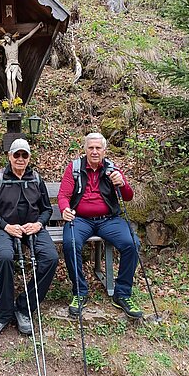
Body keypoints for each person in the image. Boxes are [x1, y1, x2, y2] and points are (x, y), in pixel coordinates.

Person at [58, 132, 143, 319]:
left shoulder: (112, 168)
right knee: (70, 243)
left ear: (104, 150)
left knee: (132, 244)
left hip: (109, 219)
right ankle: (79, 292)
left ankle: (122, 294)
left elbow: (128, 196)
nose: (94, 151)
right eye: (91, 148)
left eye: (98, 148)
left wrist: (121, 183)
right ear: (85, 149)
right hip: (80, 219)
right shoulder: (74, 168)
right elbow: (63, 195)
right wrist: (65, 209)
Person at [0, 138, 58, 339]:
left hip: (33, 227)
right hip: (7, 228)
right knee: (5, 257)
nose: (20, 159)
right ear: (9, 156)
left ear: (29, 157)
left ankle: (24, 308)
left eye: (24, 155)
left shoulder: (36, 179)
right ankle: (3, 313)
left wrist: (39, 224)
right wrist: (5, 226)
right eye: (17, 154)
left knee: (50, 258)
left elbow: (47, 209)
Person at [0, 22, 43, 102]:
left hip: (15, 64)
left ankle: (14, 96)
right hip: (8, 65)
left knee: (13, 78)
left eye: (7, 39)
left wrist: (38, 27)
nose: (6, 40)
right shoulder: (4, 45)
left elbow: (28, 36)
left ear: (11, 38)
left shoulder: (16, 43)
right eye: (5, 39)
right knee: (8, 78)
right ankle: (11, 96)